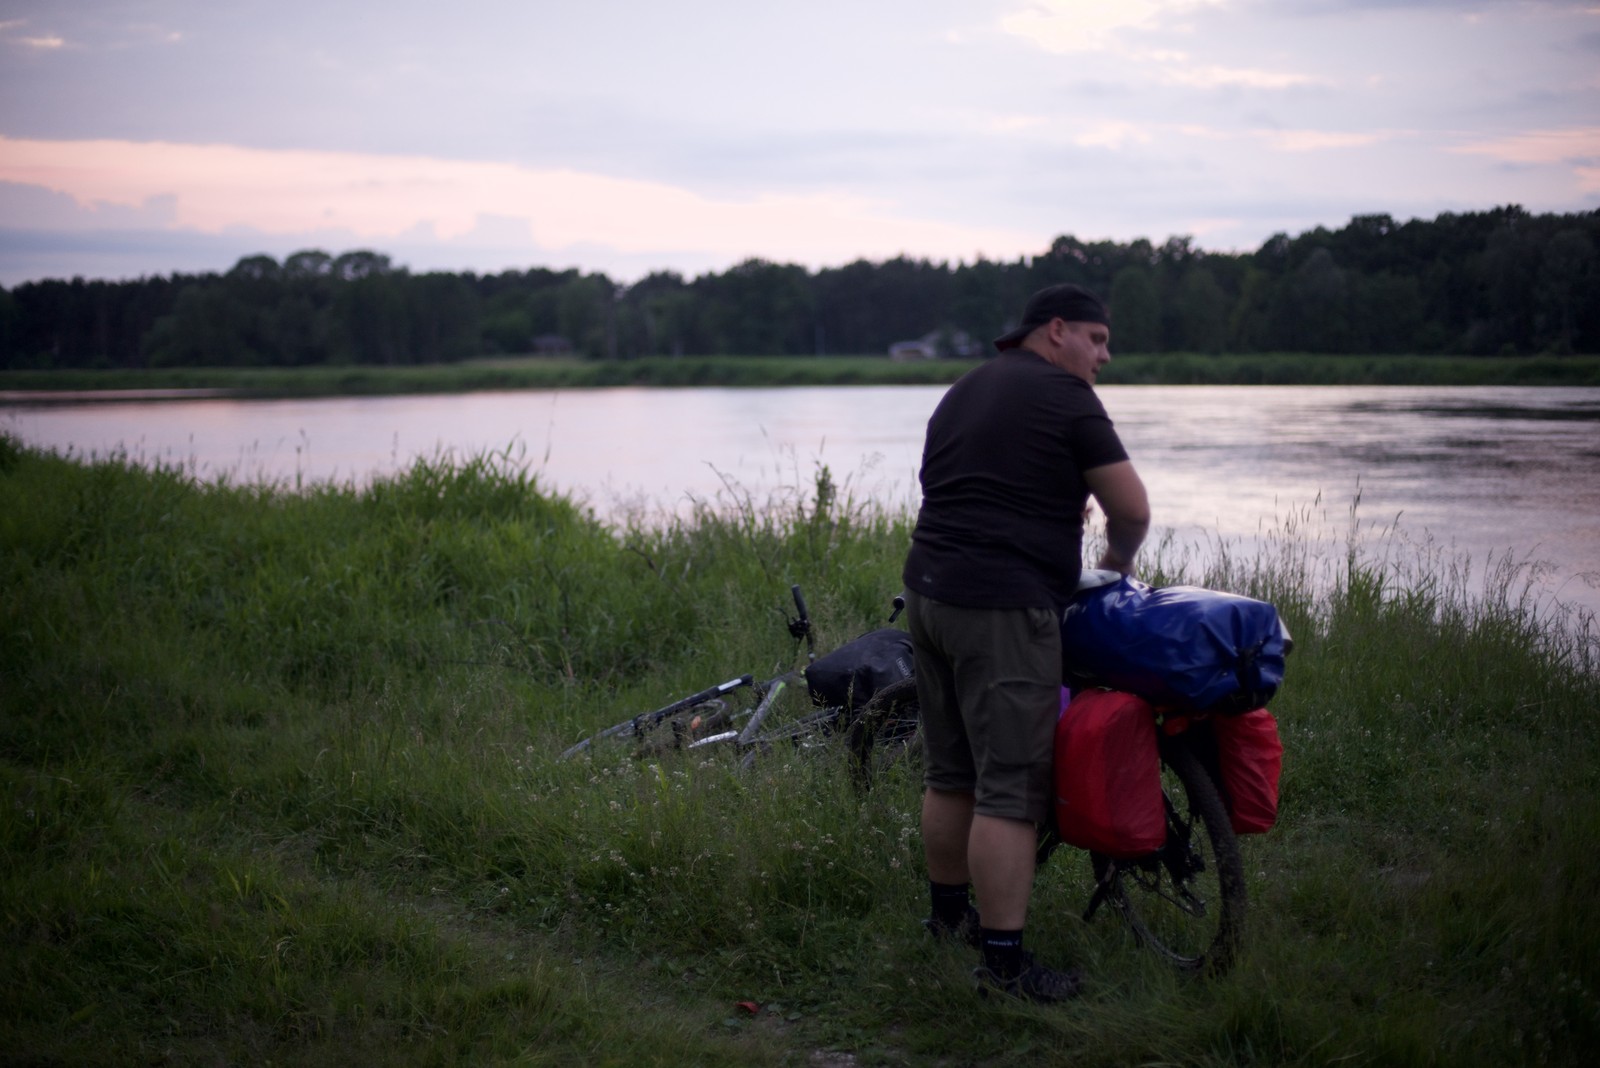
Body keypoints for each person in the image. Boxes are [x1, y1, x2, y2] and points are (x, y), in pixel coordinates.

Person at [902, 282, 1150, 1002]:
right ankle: (1005, 968)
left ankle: (949, 923)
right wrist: (1115, 566)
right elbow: (1130, 508)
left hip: (928, 593)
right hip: (1001, 609)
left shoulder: (966, 388)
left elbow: (948, 484)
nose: (1105, 357)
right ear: (1057, 330)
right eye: (1098, 340)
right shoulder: (1067, 398)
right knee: (1011, 792)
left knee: (951, 774)